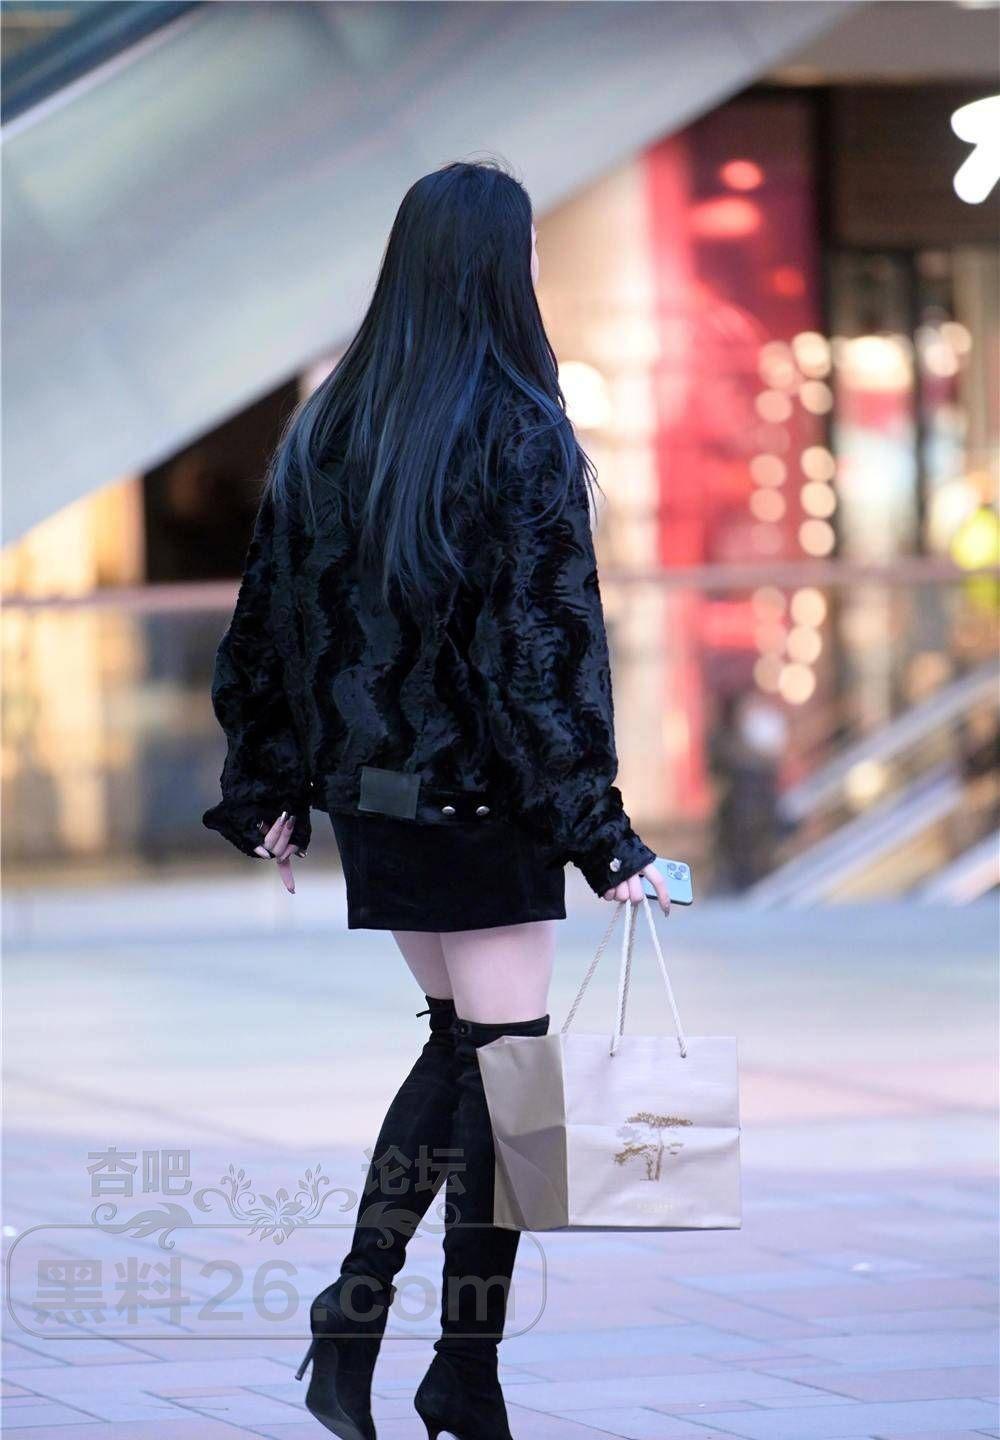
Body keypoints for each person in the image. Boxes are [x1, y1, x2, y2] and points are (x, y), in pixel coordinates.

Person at [202, 159, 669, 1440]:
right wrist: (600, 833)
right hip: (484, 800)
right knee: (507, 1085)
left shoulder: (332, 422)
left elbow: (269, 622)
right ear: (497, 268)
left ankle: (367, 1324)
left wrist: (271, 782)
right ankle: (454, 1367)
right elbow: (540, 654)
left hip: (381, 802)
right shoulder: (518, 428)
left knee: (466, 1056)